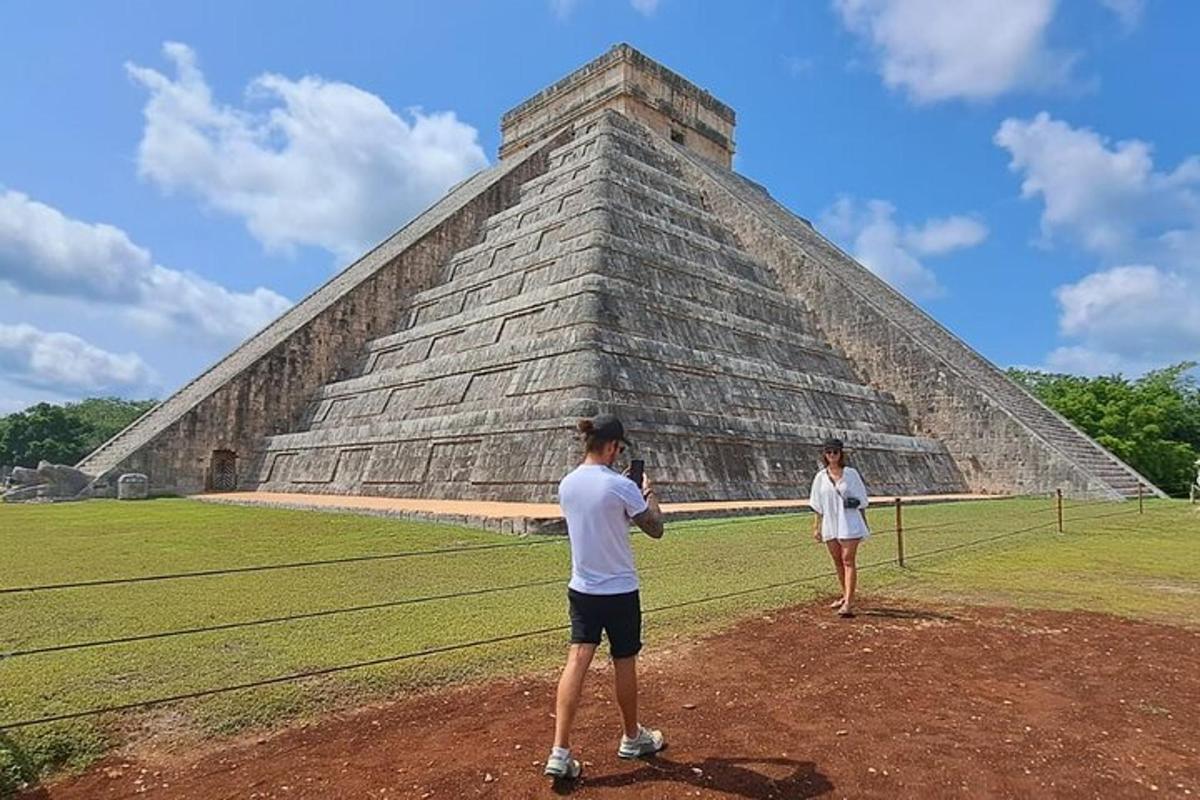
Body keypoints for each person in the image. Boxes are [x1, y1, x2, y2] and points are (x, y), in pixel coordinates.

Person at [544, 413, 667, 781]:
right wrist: (648, 492)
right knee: (624, 660)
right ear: (613, 447)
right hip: (619, 590)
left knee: (577, 660)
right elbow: (656, 528)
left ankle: (560, 750)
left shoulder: (567, 485)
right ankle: (632, 737)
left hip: (582, 587)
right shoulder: (620, 486)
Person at [809, 437, 870, 617]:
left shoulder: (851, 474)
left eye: (835, 451)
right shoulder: (820, 477)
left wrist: (864, 523)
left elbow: (862, 501)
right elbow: (817, 505)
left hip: (849, 521)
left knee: (848, 560)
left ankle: (849, 603)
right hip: (831, 523)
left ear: (841, 453)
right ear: (824, 455)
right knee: (838, 561)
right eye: (829, 452)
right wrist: (816, 527)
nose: (832, 455)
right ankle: (845, 595)